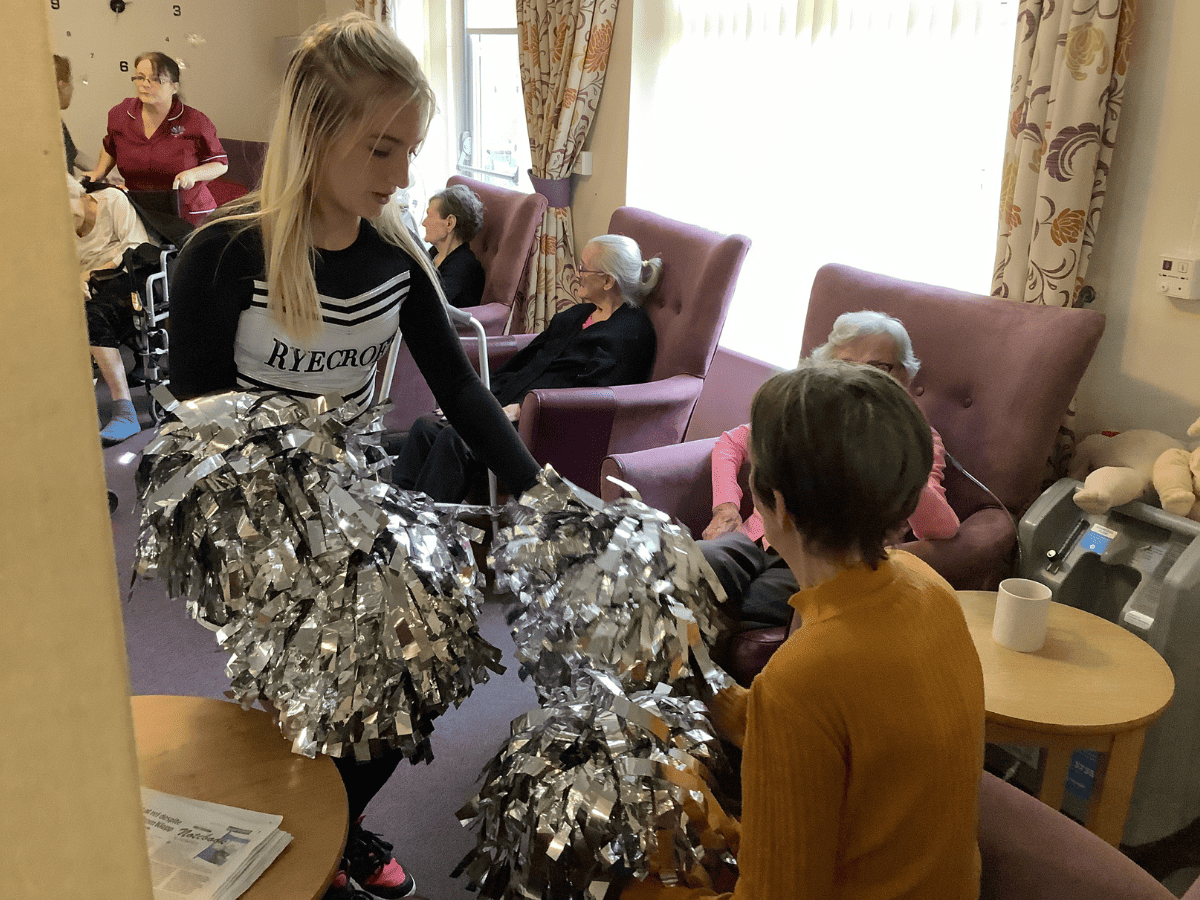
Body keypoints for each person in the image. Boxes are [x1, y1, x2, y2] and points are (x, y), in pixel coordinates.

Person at [167, 15, 542, 899]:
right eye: (380, 150)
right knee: (308, 697)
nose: (401, 176)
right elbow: (197, 427)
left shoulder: (398, 257)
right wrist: (281, 544)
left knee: (432, 659)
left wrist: (547, 492)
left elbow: (462, 392)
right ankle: (307, 841)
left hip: (351, 501)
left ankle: (327, 832)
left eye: (409, 150)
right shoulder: (223, 254)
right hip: (247, 521)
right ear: (314, 133)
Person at [625, 361, 986, 900]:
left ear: (780, 507)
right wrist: (700, 672)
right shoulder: (927, 587)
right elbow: (827, 732)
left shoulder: (802, 679)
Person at [701, 310, 959, 632]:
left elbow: (943, 529)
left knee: (740, 607)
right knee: (689, 571)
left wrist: (897, 448)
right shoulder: (808, 416)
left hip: (823, 562)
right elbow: (731, 443)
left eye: (878, 367)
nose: (861, 379)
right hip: (756, 537)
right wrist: (725, 508)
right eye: (846, 366)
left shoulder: (919, 440)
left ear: (904, 377)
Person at [391, 233, 660, 502]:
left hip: (549, 425)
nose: (577, 274)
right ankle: (398, 518)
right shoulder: (577, 315)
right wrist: (478, 400)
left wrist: (522, 410)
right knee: (427, 425)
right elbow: (524, 362)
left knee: (455, 438)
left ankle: (429, 530)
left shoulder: (630, 334)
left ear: (608, 280)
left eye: (583, 268)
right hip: (511, 406)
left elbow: (593, 395)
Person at [84, 51, 228, 226]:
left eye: (155, 79)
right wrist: (99, 172)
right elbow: (111, 147)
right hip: (139, 208)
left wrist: (193, 174)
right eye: (139, 77)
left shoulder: (195, 121)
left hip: (186, 214)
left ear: (174, 87)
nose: (145, 84)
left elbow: (220, 164)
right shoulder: (121, 114)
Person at [68, 175, 148, 445]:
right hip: (85, 285)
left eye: (71, 216)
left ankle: (125, 412)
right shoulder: (58, 221)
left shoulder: (112, 201)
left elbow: (137, 246)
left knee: (91, 316)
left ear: (79, 196)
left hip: (128, 276)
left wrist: (92, 272)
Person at [421, 184, 486, 308]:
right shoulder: (435, 252)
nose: (424, 223)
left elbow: (431, 305)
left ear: (449, 223)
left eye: (429, 215)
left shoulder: (463, 266)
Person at [54, 55, 92, 176]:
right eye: (70, 81)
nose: (72, 87)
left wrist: (108, 175)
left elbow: (73, 154)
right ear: (61, 85)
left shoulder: (56, 120)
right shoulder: (45, 125)